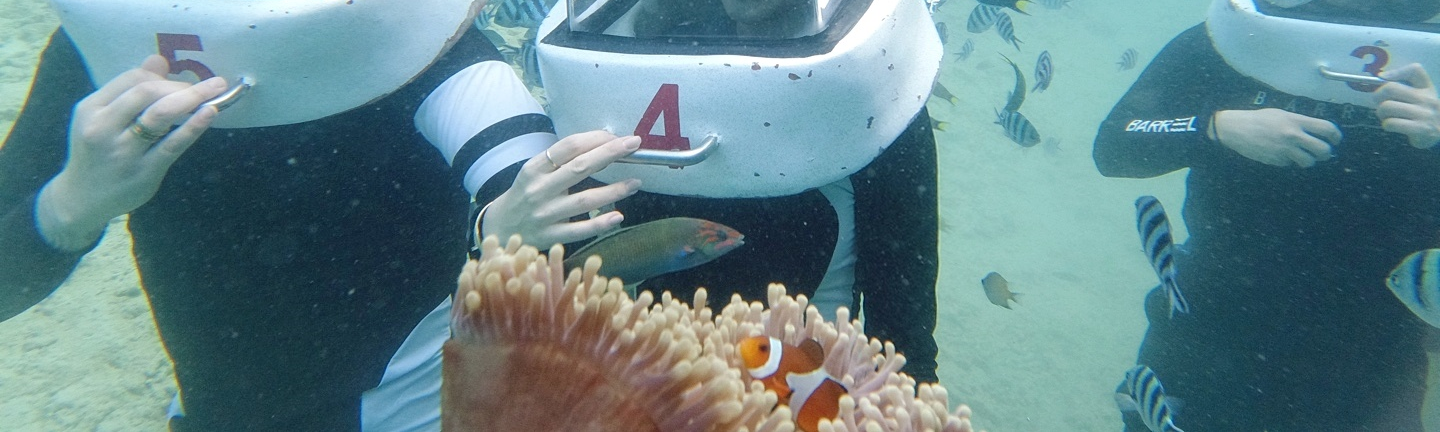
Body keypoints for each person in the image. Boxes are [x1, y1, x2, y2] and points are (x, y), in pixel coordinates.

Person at [0, 0, 622, 429]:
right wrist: (69, 205)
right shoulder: (106, 42)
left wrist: (504, 231)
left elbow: (530, 177)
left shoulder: (396, 31)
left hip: (413, 413)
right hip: (208, 412)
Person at [430, 0, 945, 382]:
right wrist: (491, 231)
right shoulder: (619, 56)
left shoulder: (869, 89)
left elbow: (905, 342)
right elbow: (533, 278)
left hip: (803, 393)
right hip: (618, 390)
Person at [1093, 0, 1440, 430]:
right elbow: (1114, 145)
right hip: (1208, 328)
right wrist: (1216, 127)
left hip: (1371, 363)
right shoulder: (1241, 33)